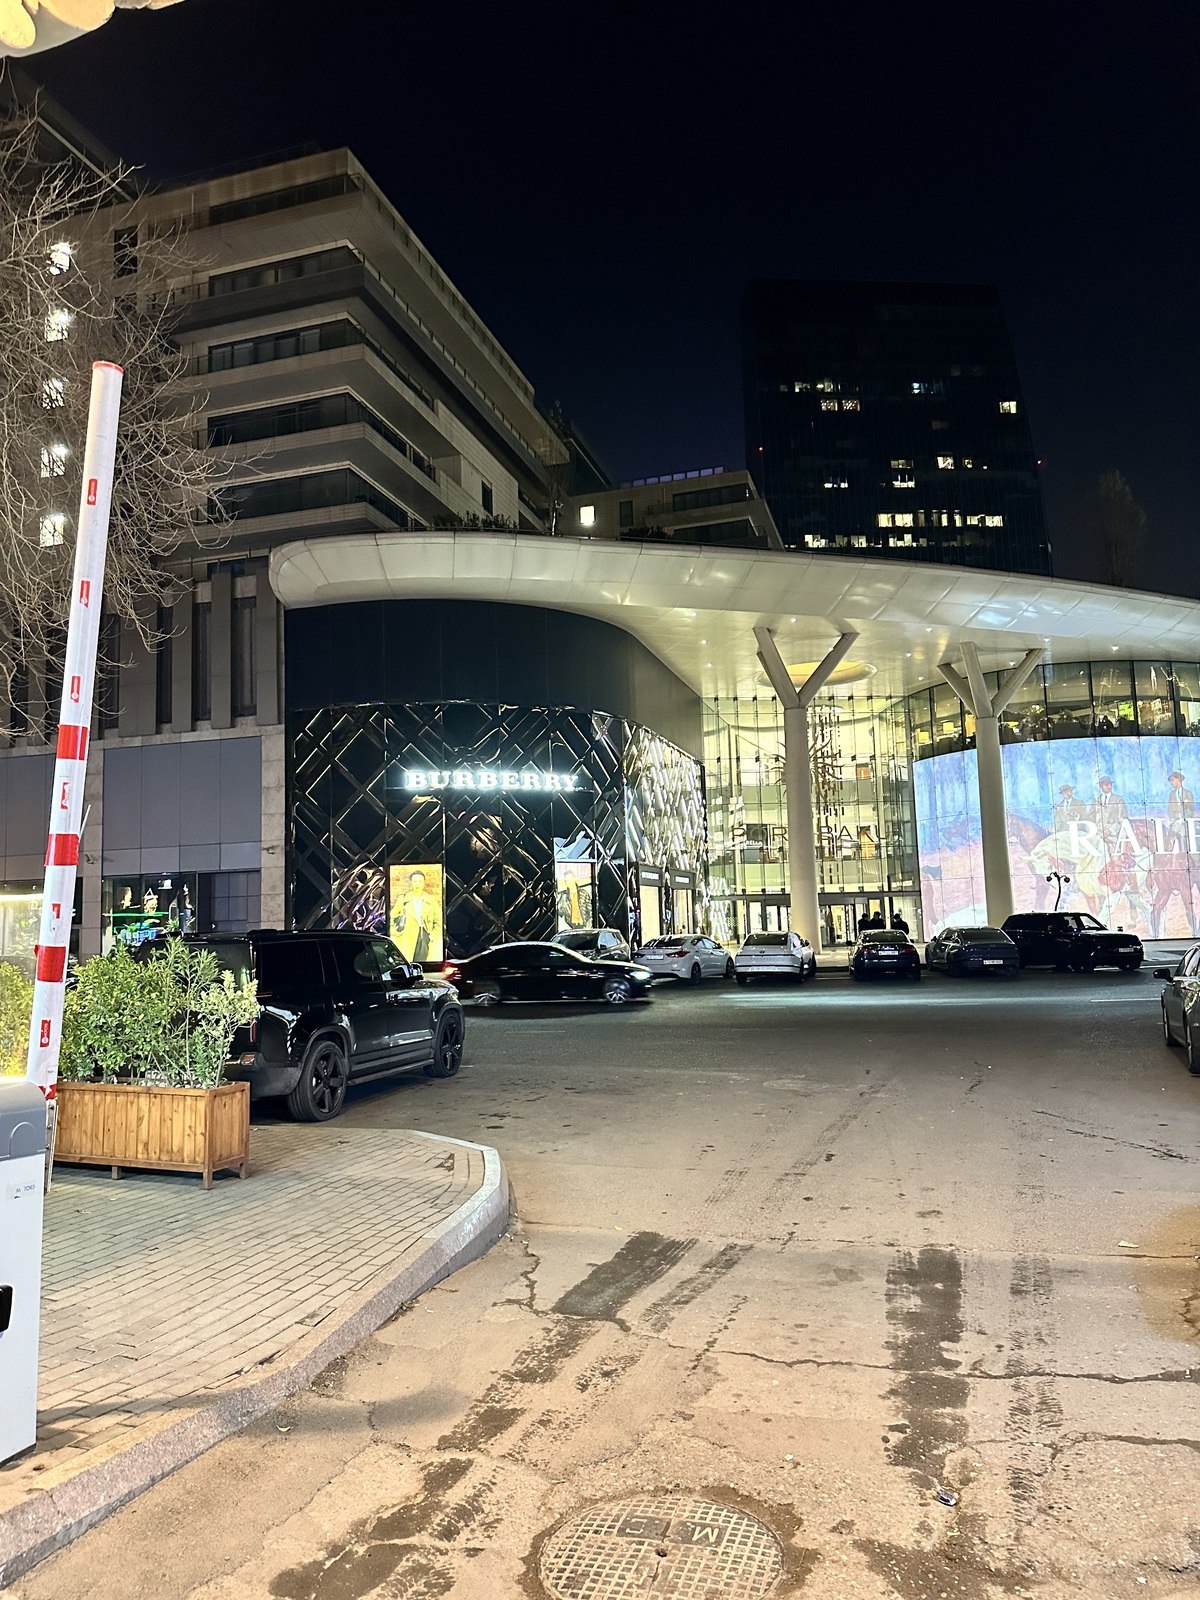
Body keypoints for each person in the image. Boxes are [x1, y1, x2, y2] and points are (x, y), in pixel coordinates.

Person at [393, 869, 442, 965]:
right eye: (415, 881)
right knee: (409, 963)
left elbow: (439, 920)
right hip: (408, 938)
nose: (417, 884)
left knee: (423, 964)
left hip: (425, 936)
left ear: (423, 883)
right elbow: (391, 918)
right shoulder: (403, 899)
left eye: (420, 881)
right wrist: (397, 933)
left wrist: (432, 935)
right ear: (411, 883)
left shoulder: (431, 900)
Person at [1091, 777, 1128, 846]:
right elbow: (1092, 816)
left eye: (1110, 784)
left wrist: (1111, 830)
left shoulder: (1118, 799)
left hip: (1115, 833)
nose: (1109, 786)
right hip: (1099, 833)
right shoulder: (1097, 800)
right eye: (1106, 785)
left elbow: (1123, 817)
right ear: (1101, 786)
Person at [1168, 771, 1195, 849]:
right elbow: (1170, 809)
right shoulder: (1172, 794)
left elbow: (1191, 809)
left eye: (1173, 780)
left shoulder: (1188, 793)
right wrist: (1173, 819)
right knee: (1178, 829)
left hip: (1185, 821)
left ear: (1178, 780)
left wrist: (1183, 819)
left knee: (1181, 830)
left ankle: (1176, 846)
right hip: (1175, 821)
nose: (1172, 783)